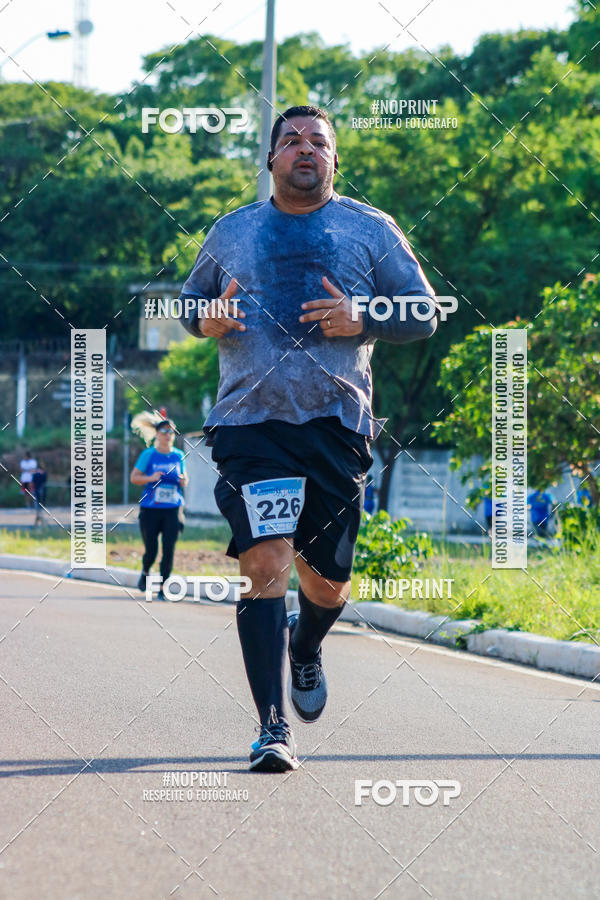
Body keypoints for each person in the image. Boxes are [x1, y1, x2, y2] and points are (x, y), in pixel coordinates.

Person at [179, 104, 440, 772]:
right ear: (271, 158)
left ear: (333, 161)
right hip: (249, 423)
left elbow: (423, 313)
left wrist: (366, 315)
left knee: (328, 585)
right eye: (291, 140)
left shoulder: (370, 229)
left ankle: (307, 644)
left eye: (318, 142)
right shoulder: (232, 231)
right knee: (265, 561)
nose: (305, 149)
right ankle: (272, 728)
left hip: (334, 425)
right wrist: (206, 320)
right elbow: (189, 305)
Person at [129, 412, 188, 601]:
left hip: (172, 508)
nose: (168, 435)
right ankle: (146, 571)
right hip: (151, 509)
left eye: (171, 432)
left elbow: (185, 480)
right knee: (152, 549)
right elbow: (134, 478)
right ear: (157, 434)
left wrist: (182, 479)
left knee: (169, 548)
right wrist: (151, 478)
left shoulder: (179, 455)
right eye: (164, 431)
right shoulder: (149, 455)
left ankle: (164, 587)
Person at [32, 461, 47, 526]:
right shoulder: (43, 474)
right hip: (39, 490)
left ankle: (39, 514)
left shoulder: (36, 474)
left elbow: (33, 482)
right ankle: (39, 513)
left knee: (38, 503)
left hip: (39, 490)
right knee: (39, 502)